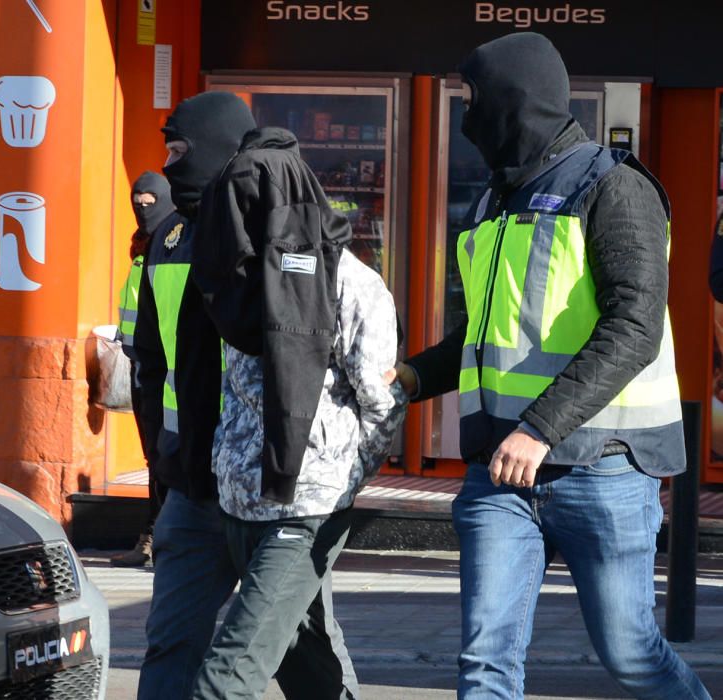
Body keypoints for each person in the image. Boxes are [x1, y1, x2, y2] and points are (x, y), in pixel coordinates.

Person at [390, 32, 710, 699]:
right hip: (498, 475)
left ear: (515, 100)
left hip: (604, 468)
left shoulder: (613, 187)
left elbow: (634, 327)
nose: (467, 115)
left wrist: (537, 430)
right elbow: (483, 335)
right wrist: (412, 377)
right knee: (484, 663)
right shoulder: (492, 201)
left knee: (629, 656)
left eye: (474, 98)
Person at [188, 122, 408, 699]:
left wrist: (339, 485)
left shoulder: (353, 285)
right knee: (308, 662)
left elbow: (378, 402)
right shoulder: (235, 286)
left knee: (228, 672)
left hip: (307, 504)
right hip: (240, 499)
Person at [132, 91, 256, 699]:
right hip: (190, 487)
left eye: (180, 150)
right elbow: (151, 364)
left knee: (301, 649)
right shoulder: (169, 240)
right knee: (171, 640)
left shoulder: (273, 226)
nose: (169, 163)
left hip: (265, 487)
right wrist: (163, 458)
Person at [110, 171, 173, 567]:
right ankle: (152, 537)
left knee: (168, 455)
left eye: (151, 203)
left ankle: (163, 538)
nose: (142, 210)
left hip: (168, 369)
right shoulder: (141, 247)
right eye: (137, 203)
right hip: (141, 367)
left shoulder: (173, 247)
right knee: (154, 457)